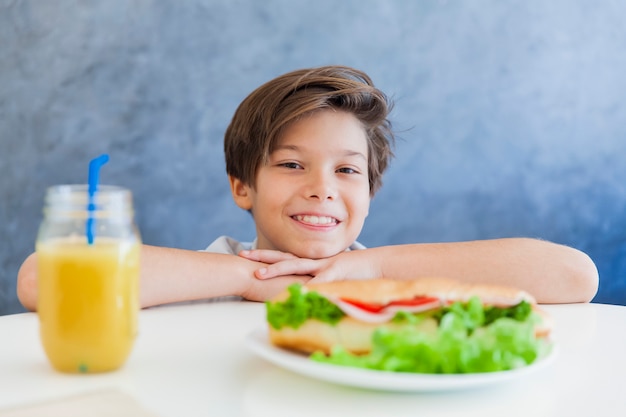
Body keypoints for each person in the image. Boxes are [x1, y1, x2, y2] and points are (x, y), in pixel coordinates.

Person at [17, 65, 598, 310]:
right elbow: (42, 279)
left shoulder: (387, 276)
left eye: (346, 171)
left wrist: (369, 272)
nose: (323, 189)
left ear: (370, 191)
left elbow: (576, 277)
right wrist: (252, 276)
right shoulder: (205, 277)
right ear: (242, 186)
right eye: (293, 165)